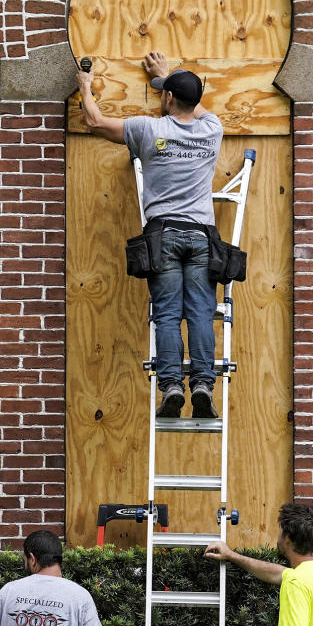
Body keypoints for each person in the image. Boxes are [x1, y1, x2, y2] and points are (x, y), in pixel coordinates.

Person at [76, 52, 223, 419]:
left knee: (169, 315)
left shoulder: (148, 130)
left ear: (168, 99)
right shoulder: (212, 129)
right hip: (202, 237)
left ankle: (172, 385)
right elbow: (196, 106)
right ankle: (203, 384)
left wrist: (85, 85)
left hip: (164, 236)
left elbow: (93, 121)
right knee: (202, 313)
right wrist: (166, 79)